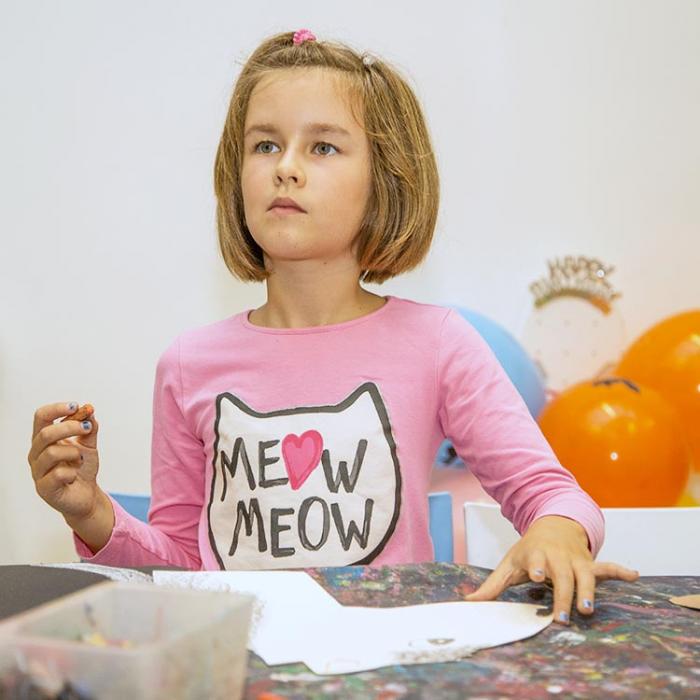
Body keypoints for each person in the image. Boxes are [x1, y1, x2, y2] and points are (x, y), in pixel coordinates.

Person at [28, 29, 638, 625]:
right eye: (264, 145)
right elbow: (188, 567)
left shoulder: (438, 343)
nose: (286, 168)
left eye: (323, 147)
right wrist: (92, 512)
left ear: (385, 184)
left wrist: (558, 530)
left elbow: (554, 494)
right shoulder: (187, 364)